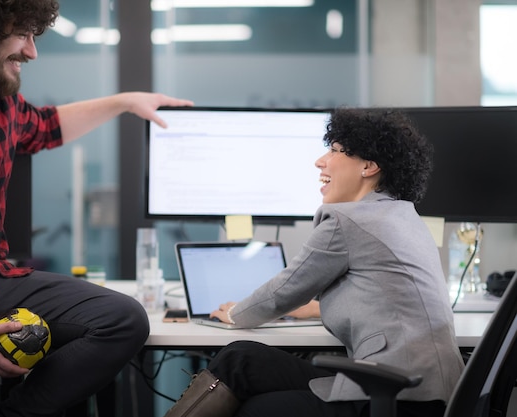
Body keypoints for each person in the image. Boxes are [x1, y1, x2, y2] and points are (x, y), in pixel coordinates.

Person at [0, 0, 193, 416]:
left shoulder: (0, 103)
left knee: (124, 319)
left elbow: (48, 126)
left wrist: (125, 101)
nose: (32, 53)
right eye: (23, 36)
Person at [163, 108, 465, 417]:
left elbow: (285, 290)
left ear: (369, 166)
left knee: (255, 406)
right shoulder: (403, 216)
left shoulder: (348, 219)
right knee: (242, 358)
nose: (320, 161)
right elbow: (385, 298)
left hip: (395, 395)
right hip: (429, 391)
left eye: (334, 150)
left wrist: (234, 314)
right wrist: (308, 308)